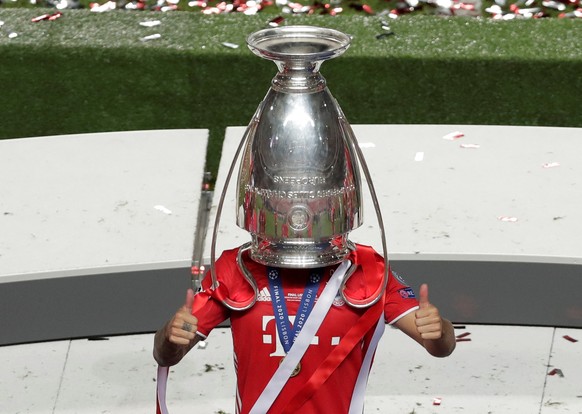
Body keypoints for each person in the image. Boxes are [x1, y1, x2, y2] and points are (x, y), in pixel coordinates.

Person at [153, 243, 456, 413]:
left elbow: (440, 347)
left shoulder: (367, 268)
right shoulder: (236, 267)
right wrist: (170, 336)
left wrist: (439, 330)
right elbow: (166, 355)